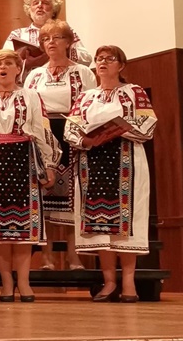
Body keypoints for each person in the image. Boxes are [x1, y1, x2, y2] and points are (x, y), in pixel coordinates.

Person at [66, 45, 157, 303]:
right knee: (99, 223)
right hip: (92, 162)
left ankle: (128, 282)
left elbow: (148, 123)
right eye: (99, 59)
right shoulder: (86, 97)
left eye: (109, 58)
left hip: (126, 159)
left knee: (128, 220)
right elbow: (71, 128)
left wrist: (115, 129)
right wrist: (86, 139)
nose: (103, 62)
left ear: (121, 65)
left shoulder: (134, 92)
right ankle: (109, 282)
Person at [0, 50, 60, 302]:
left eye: (8, 63)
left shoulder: (30, 96)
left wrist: (49, 164)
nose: (3, 67)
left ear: (18, 69)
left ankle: (24, 281)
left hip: (23, 161)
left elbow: (42, 129)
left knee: (23, 227)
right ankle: (7, 283)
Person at [24, 19, 97, 270]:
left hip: (72, 133)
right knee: (45, 193)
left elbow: (91, 104)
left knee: (72, 194)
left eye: (56, 37)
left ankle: (74, 256)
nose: (51, 43)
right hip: (44, 133)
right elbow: (28, 106)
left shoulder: (83, 73)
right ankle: (47, 257)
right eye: (46, 39)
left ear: (68, 42)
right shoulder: (34, 75)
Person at [3, 0, 92, 72]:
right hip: (27, 80)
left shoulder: (66, 31)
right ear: (29, 10)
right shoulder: (17, 35)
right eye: (35, 3)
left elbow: (87, 59)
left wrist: (62, 52)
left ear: (54, 10)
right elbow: (4, 62)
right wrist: (24, 63)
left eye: (45, 3)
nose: (40, 6)